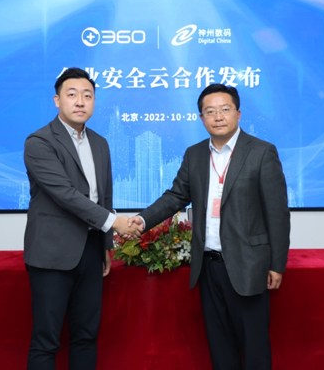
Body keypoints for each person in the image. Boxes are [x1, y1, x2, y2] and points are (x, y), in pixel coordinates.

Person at [129, 83, 290, 370]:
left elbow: (277, 213)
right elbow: (176, 196)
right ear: (201, 118)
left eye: (225, 109)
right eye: (210, 111)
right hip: (208, 266)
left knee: (254, 347)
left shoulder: (262, 152)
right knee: (220, 346)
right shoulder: (194, 154)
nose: (218, 116)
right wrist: (141, 220)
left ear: (238, 113)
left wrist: (277, 264)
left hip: (248, 264)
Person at [23, 67, 142, 370]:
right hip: (51, 254)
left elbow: (105, 197)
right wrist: (115, 224)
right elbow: (65, 195)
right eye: (72, 94)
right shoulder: (39, 142)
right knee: (46, 341)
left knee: (87, 336)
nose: (80, 101)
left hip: (90, 251)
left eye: (87, 96)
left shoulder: (100, 143)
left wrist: (105, 245)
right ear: (57, 100)